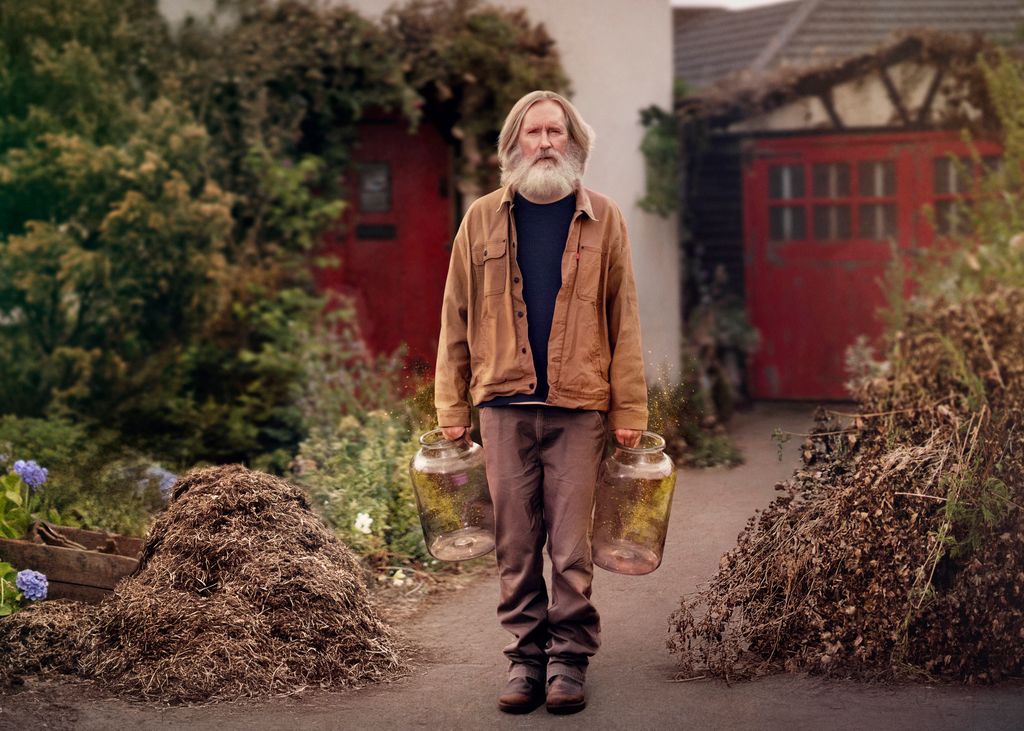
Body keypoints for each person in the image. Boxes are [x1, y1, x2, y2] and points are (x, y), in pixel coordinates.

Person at [434, 89, 648, 715]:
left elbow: (624, 318)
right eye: (534, 132)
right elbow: (455, 316)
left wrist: (630, 410)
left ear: (574, 143)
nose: (546, 142)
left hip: (579, 404)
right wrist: (451, 405)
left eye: (557, 131)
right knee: (516, 539)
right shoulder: (480, 218)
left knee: (572, 543)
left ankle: (569, 662)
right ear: (513, 145)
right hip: (503, 403)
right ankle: (526, 660)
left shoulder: (605, 218)